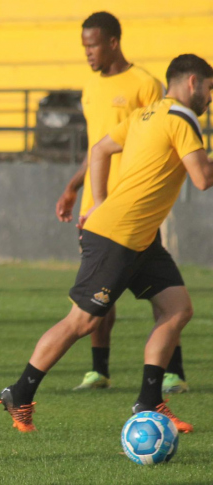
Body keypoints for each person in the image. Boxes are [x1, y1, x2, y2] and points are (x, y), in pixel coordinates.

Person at [0, 54, 213, 434]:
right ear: (193, 82)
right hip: (117, 236)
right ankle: (20, 392)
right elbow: (202, 178)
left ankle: (150, 402)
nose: (211, 97)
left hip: (138, 237)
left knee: (177, 309)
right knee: (81, 321)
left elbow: (99, 149)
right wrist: (101, 209)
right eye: (211, 88)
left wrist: (98, 202)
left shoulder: (146, 114)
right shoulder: (183, 119)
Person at [54, 12, 187, 393]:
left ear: (113, 42)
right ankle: (99, 371)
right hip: (96, 210)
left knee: (160, 290)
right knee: (100, 294)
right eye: (84, 46)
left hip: (134, 206)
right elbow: (99, 146)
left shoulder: (145, 84)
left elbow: (161, 134)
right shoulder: (90, 87)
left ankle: (173, 371)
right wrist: (73, 187)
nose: (88, 53)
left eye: (92, 45)